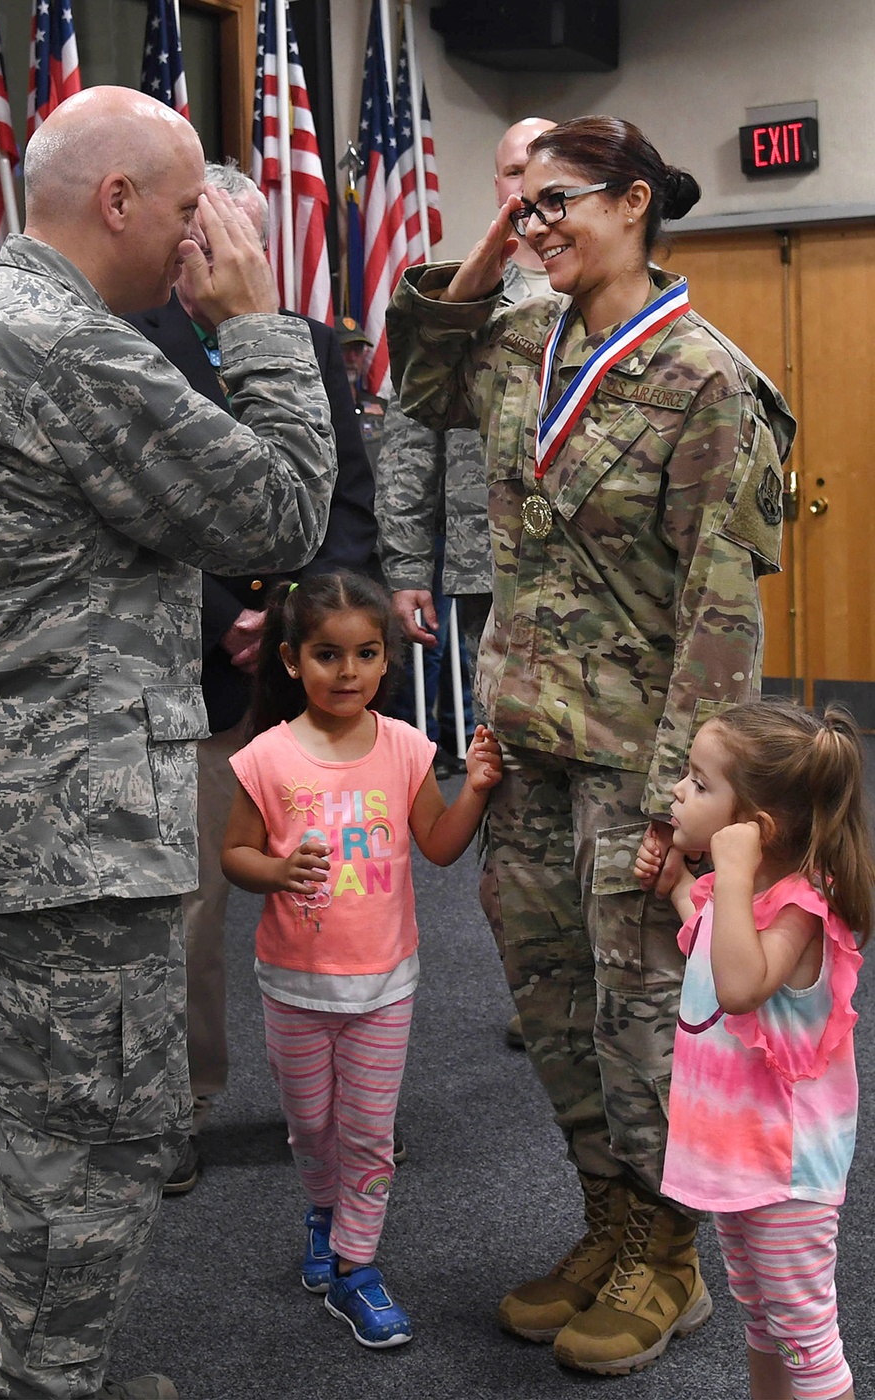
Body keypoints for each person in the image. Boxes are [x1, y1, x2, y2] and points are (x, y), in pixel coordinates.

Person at [0, 87, 336, 1400]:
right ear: (121, 201)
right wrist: (256, 325)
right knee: (97, 1134)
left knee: (18, 1111)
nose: (208, 240)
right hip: (68, 829)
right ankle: (50, 1383)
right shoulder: (68, 349)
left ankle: (33, 1370)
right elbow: (284, 511)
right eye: (193, 212)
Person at [386, 115, 796, 1374]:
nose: (534, 224)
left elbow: (722, 616)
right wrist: (498, 242)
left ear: (633, 203)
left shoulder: (708, 380)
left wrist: (690, 804)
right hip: (523, 742)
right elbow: (416, 379)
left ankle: (667, 1259)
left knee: (639, 1024)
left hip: (636, 758)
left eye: (559, 202)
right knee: (555, 1008)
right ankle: (605, 1221)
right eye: (526, 205)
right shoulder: (519, 338)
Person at [126, 161, 379, 1194]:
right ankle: (182, 1104)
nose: (238, 254)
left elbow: (347, 500)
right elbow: (133, 517)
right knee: (190, 908)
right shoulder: (130, 350)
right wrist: (221, 616)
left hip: (306, 681)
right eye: (220, 232)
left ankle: (344, 1106)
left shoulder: (311, 346)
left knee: (343, 888)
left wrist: (291, 619)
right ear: (187, 238)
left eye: (253, 236)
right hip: (201, 682)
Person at [220, 571, 502, 1348]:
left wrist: (473, 789)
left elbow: (439, 849)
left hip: (384, 985)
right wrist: (275, 871)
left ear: (387, 662)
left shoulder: (407, 747)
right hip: (293, 984)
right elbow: (234, 854)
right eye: (326, 655)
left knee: (369, 1133)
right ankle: (323, 1211)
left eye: (366, 654)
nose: (347, 673)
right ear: (290, 660)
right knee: (312, 1127)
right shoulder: (268, 757)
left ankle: (357, 1267)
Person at [376, 117, 562, 1047]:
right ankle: (538, 980)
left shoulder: (592, 281)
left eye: (549, 169)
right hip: (489, 566)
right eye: (515, 169)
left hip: (584, 574)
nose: (530, 187)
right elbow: (409, 431)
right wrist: (407, 565)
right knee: (509, 772)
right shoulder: (460, 296)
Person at [634, 700, 874, 1400]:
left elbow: (739, 987)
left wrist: (729, 874)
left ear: (754, 831)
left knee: (805, 1336)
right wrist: (682, 886)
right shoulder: (744, 898)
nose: (679, 790)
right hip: (735, 1160)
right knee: (763, 1323)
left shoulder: (801, 909)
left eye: (701, 783)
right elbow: (714, 942)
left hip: (784, 1172)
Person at [335, 315, 387, 469]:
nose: (351, 358)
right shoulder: (318, 410)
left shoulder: (381, 407)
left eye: (357, 350)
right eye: (343, 349)